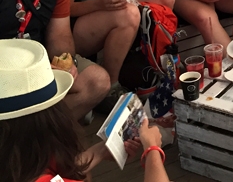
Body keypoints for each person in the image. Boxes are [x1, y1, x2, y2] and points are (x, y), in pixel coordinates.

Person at [0, 38, 170, 182]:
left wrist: (102, 150)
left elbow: (56, 174)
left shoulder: (19, 159)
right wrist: (152, 150)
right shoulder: (36, 147)